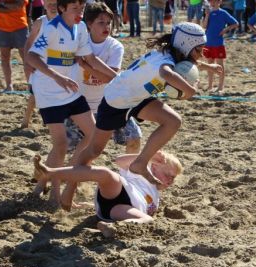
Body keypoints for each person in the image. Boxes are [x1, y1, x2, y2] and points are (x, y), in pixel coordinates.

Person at [60, 22, 222, 210]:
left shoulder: (169, 53)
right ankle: (69, 190)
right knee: (92, 152)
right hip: (115, 102)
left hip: (136, 98)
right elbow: (165, 73)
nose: (201, 54)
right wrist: (189, 90)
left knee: (173, 121)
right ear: (186, 45)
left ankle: (141, 163)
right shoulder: (165, 63)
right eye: (199, 50)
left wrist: (206, 67)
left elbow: (183, 65)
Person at [26, 0, 114, 204]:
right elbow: (31, 57)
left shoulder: (81, 27)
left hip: (70, 90)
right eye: (75, 8)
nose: (80, 12)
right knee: (61, 144)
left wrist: (115, 77)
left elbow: (90, 58)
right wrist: (57, 76)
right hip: (48, 92)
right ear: (62, 8)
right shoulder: (51, 28)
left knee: (94, 134)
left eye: (82, 8)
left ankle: (69, 176)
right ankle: (55, 194)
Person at [32, 151, 183, 229]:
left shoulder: (155, 193)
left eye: (174, 178)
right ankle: (51, 173)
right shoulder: (141, 170)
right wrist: (147, 156)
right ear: (155, 167)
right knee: (106, 174)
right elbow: (119, 161)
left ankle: (111, 227)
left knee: (147, 220)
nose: (171, 180)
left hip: (119, 209)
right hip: (119, 190)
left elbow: (146, 212)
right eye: (168, 175)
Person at [77, 2, 142, 154]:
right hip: (81, 104)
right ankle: (67, 174)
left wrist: (86, 67)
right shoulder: (80, 41)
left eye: (109, 23)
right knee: (71, 147)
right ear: (89, 24)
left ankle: (130, 176)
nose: (106, 26)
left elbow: (111, 78)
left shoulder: (115, 46)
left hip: (110, 103)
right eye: (101, 23)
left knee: (134, 137)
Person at [21, 0, 57, 129]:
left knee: (56, 94)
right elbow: (29, 42)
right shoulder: (40, 22)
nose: (53, 7)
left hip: (57, 64)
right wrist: (26, 62)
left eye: (55, 4)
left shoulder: (65, 21)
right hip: (39, 63)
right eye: (50, 3)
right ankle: (26, 119)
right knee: (34, 94)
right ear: (44, 4)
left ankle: (48, 121)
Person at [0, 0, 29, 91]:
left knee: (26, 57)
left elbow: (18, 6)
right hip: (1, 27)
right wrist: (9, 7)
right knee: (5, 57)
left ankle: (31, 84)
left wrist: (0, 5)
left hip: (20, 26)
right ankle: (9, 85)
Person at [202, 0, 238, 92]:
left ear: (220, 2)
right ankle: (210, 85)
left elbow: (236, 23)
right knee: (210, 64)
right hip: (208, 42)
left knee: (220, 65)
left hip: (218, 43)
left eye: (215, 1)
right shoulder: (208, 12)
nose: (212, 3)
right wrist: (207, 15)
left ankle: (220, 87)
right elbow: (204, 26)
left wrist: (226, 29)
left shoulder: (223, 13)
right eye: (211, 1)